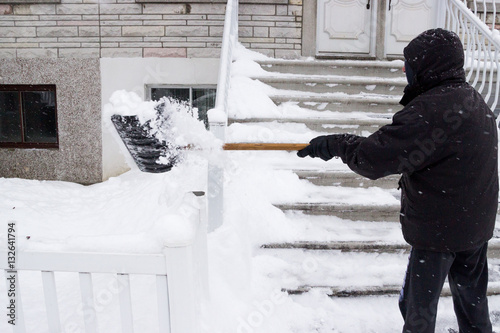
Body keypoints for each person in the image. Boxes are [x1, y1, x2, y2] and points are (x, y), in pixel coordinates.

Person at [297, 28, 498, 332]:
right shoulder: (474, 100)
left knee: (417, 313)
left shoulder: (431, 110)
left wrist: (335, 143)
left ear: (428, 65)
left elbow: (374, 158)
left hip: (438, 234)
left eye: (411, 64)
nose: (406, 70)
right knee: (473, 309)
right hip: (475, 228)